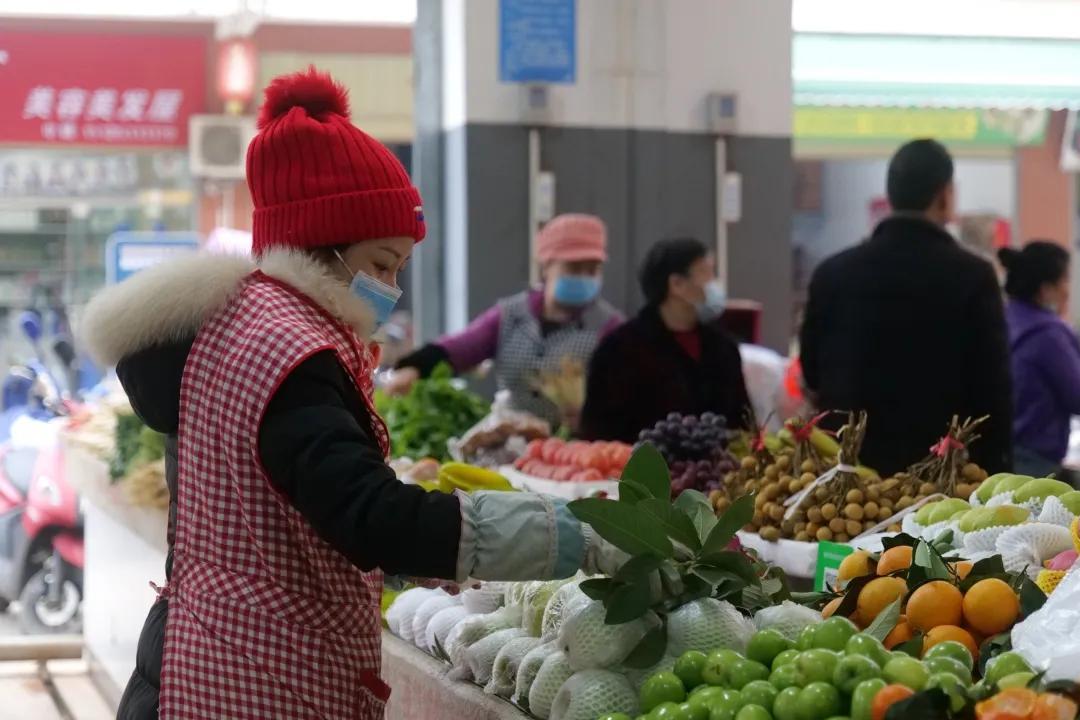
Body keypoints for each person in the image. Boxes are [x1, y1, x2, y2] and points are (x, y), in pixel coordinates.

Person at [81, 69, 615, 720]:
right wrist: (569, 535)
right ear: (320, 248)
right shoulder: (285, 350)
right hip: (244, 684)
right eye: (383, 264)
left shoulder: (242, 326)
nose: (390, 288)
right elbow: (367, 515)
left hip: (219, 658)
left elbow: (280, 518)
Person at [800, 138, 1013, 476]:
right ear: (945, 195)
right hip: (938, 481)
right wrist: (993, 473)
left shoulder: (832, 274)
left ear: (891, 195)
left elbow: (811, 372)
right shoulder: (972, 276)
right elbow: (992, 394)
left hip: (846, 485)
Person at [387, 213, 622, 429]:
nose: (583, 277)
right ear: (547, 266)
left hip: (579, 454)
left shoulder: (610, 329)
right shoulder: (511, 315)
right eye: (574, 267)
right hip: (511, 444)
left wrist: (594, 417)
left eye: (592, 270)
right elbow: (463, 347)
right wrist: (415, 367)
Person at [580, 237, 750, 442]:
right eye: (707, 273)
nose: (715, 285)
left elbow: (743, 423)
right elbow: (599, 430)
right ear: (676, 284)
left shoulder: (724, 348)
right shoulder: (619, 349)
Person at [999, 242, 1080, 477]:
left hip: (1000, 450)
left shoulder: (1000, 318)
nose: (1067, 290)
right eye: (1064, 280)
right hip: (1035, 459)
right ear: (1045, 289)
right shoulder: (1047, 333)